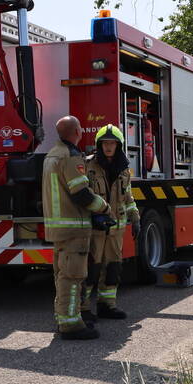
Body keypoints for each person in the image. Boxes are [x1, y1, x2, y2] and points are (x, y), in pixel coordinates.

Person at [42, 116, 112, 340]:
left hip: (58, 228)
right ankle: (71, 325)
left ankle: (63, 318)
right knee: (72, 277)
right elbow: (81, 193)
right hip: (73, 228)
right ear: (76, 132)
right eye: (80, 128)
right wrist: (104, 208)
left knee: (62, 276)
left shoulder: (51, 155)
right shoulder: (70, 157)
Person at [82, 124, 141, 322]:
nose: (108, 147)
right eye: (105, 143)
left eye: (112, 143)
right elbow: (82, 195)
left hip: (116, 230)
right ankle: (83, 309)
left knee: (113, 268)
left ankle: (107, 305)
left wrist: (135, 216)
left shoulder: (124, 169)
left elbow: (128, 197)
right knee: (91, 269)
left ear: (118, 146)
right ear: (99, 145)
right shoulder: (88, 165)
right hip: (96, 229)